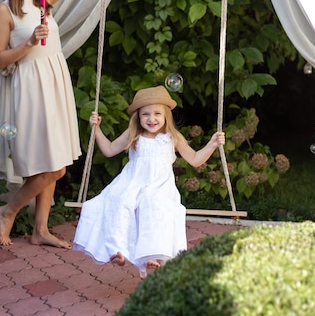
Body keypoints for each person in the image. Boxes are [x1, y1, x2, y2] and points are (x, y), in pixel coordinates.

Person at [0, 0, 87, 247]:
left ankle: (39, 231)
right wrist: (29, 42)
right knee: (52, 167)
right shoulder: (5, 11)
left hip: (55, 82)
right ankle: (9, 210)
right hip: (30, 87)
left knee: (54, 158)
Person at [72, 85, 225, 277]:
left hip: (160, 187)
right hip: (132, 183)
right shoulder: (133, 134)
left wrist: (212, 145)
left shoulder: (173, 137)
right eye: (145, 114)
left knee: (154, 208)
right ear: (137, 117)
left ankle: (151, 256)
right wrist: (96, 129)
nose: (151, 119)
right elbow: (109, 150)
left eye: (157, 114)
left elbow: (194, 159)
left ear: (166, 115)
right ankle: (118, 251)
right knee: (118, 203)